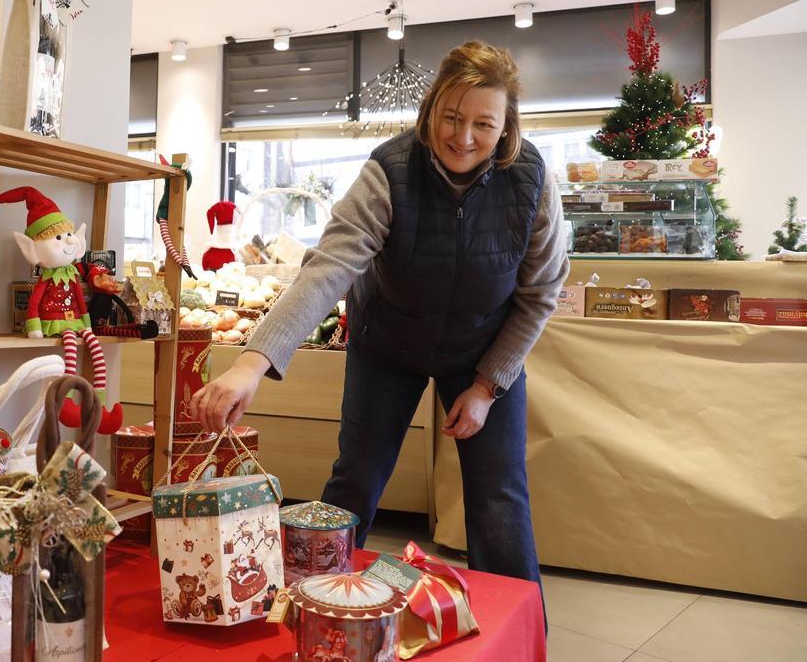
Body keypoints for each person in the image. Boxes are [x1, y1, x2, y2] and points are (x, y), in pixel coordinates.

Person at [189, 41, 569, 596]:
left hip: (484, 348)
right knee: (358, 479)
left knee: (499, 497)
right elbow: (329, 269)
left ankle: (518, 631)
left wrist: (488, 386)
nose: (464, 137)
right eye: (451, 117)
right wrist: (250, 365)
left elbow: (540, 293)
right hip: (387, 343)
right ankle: (315, 606)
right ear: (431, 108)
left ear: (507, 126)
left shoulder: (531, 181)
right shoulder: (390, 170)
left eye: (484, 124)